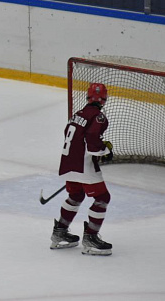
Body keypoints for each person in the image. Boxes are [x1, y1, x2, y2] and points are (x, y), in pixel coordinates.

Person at [50, 82, 114, 256]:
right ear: (104, 99)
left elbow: (70, 135)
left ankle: (59, 232)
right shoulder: (99, 116)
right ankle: (91, 238)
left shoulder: (76, 115)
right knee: (102, 198)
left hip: (68, 162)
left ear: (88, 97)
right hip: (83, 165)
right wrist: (105, 150)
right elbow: (93, 141)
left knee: (76, 195)